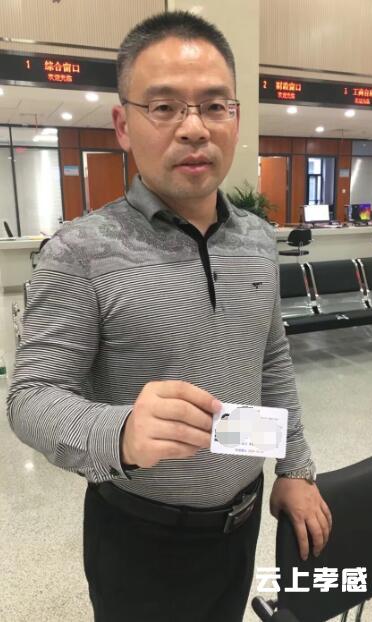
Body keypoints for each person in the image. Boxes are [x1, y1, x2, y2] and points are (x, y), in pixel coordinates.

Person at [7, 11, 332, 622]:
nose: (194, 129)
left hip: (241, 519)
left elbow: (270, 358)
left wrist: (295, 467)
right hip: (139, 534)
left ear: (235, 117)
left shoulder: (257, 239)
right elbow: (30, 398)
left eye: (214, 106)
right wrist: (122, 431)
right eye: (164, 107)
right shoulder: (79, 251)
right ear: (123, 125)